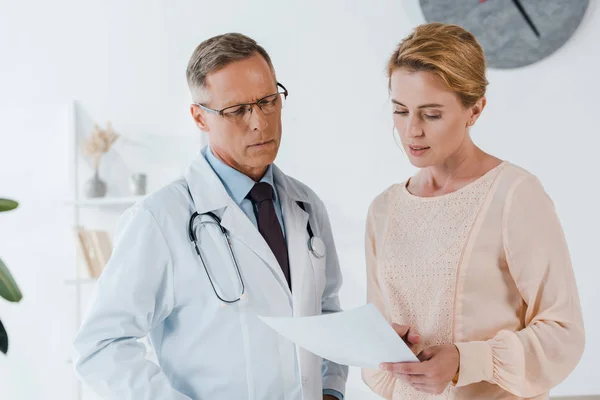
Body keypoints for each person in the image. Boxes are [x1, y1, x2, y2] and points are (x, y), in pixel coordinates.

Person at [73, 33, 348, 400]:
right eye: (237, 110)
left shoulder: (307, 205)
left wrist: (331, 390)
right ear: (199, 118)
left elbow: (326, 311)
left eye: (268, 101)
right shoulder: (159, 219)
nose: (259, 123)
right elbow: (100, 346)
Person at [362, 23, 585, 399]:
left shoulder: (514, 195)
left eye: (431, 114)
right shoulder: (384, 209)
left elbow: (563, 332)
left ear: (475, 109)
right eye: (401, 111)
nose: (411, 131)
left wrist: (467, 360)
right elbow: (376, 332)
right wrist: (387, 345)